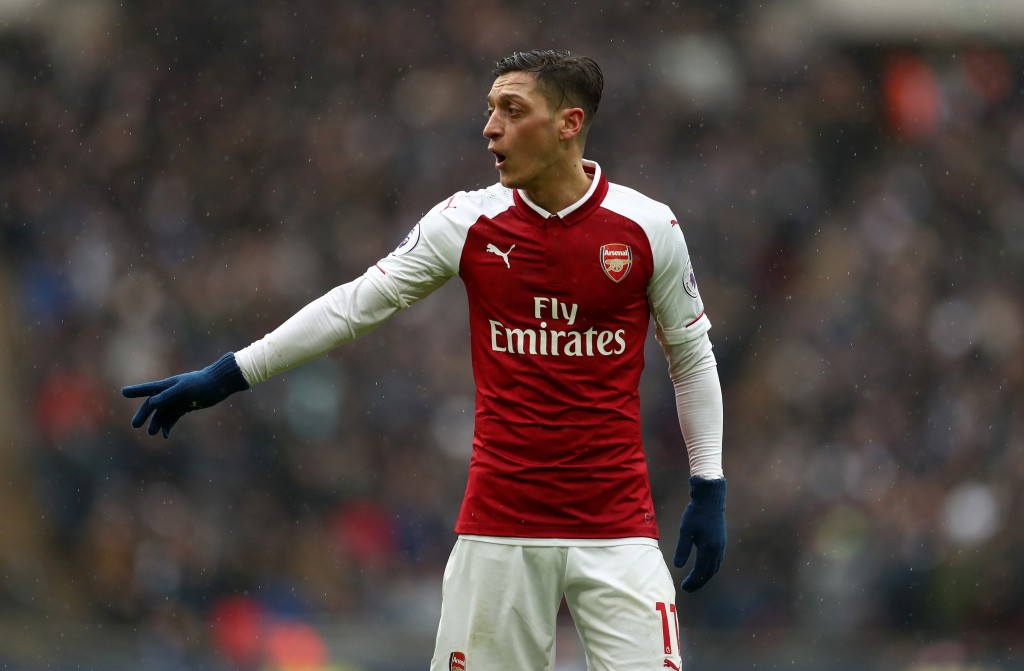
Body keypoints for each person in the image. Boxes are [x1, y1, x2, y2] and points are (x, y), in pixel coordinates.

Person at [122, 49, 727, 670]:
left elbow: (691, 357)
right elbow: (353, 305)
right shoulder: (466, 221)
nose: (490, 128)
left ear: (569, 124)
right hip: (499, 531)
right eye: (490, 109)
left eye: (511, 110)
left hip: (618, 530)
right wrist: (228, 374)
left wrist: (709, 486)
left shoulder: (647, 227)